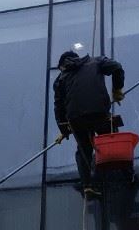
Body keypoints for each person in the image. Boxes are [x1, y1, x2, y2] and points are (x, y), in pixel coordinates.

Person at [53, 50, 125, 198]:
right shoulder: (96, 61)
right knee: (110, 139)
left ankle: (87, 185)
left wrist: (64, 129)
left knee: (83, 149)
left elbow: (59, 106)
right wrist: (117, 89)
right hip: (99, 113)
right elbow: (117, 67)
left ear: (62, 65)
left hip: (76, 119)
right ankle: (123, 171)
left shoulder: (61, 78)